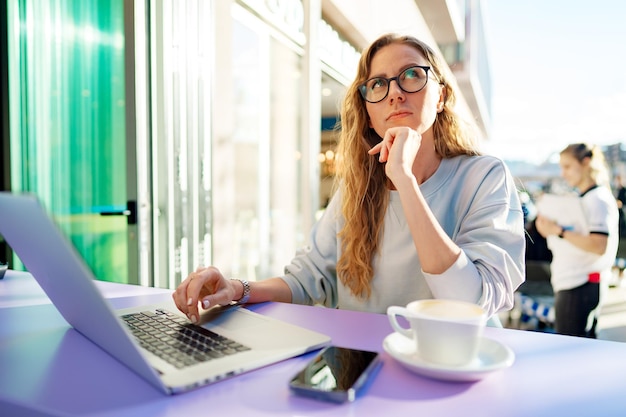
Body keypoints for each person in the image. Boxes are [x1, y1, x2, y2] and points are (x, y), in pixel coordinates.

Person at [172, 33, 525, 325]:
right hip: (358, 367)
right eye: (378, 85)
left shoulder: (484, 177)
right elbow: (308, 279)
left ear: (441, 95)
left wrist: (404, 180)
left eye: (412, 75)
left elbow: (471, 303)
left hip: (448, 374)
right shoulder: (357, 187)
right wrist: (237, 289)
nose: (395, 93)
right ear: (369, 114)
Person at [536, 143, 619, 337]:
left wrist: (558, 231)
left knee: (569, 352)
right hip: (575, 284)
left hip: (579, 286)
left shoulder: (597, 199)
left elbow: (599, 245)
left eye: (567, 166)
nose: (563, 173)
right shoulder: (587, 198)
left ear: (586, 163)